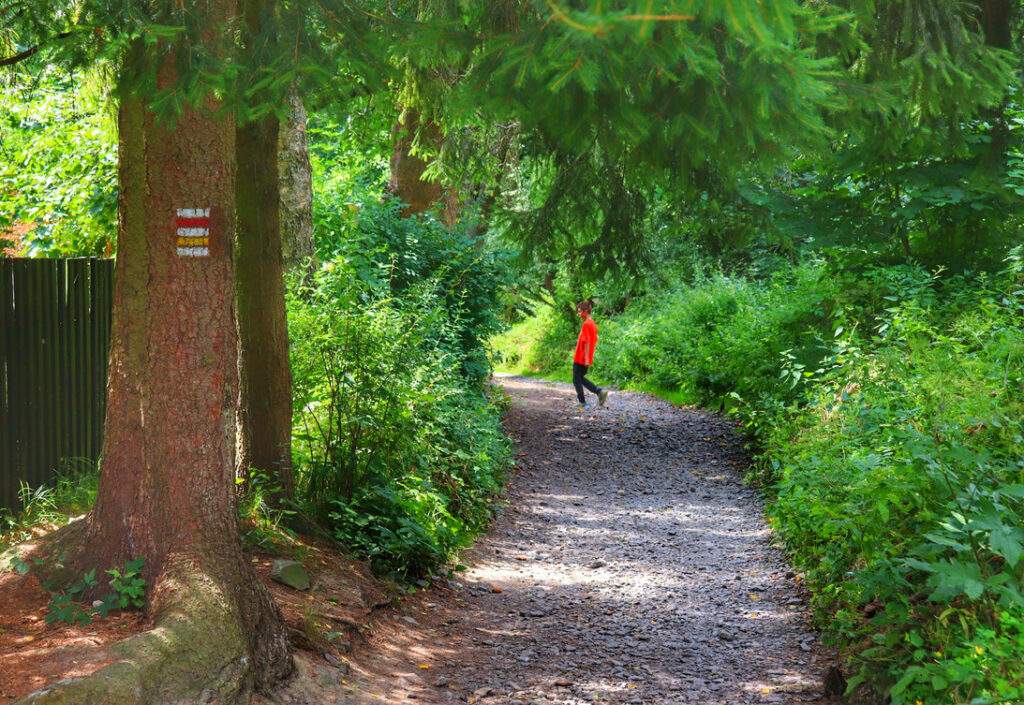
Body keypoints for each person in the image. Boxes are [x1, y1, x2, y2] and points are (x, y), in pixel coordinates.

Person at [573, 300, 609, 410]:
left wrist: (587, 359)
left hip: (581, 358)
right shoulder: (592, 323)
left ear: (585, 311)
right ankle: (599, 392)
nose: (579, 314)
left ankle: (583, 402)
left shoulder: (586, 324)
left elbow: (588, 342)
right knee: (579, 379)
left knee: (576, 380)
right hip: (584, 357)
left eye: (580, 311)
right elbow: (596, 339)